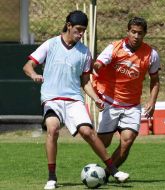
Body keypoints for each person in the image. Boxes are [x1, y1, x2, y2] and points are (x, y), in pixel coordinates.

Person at [23, 10, 129, 190]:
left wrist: (96, 98)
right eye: (78, 29)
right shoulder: (51, 44)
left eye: (83, 31)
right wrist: (34, 75)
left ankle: (113, 170)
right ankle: (52, 178)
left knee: (88, 132)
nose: (80, 34)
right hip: (52, 98)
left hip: (73, 99)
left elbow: (85, 82)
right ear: (68, 25)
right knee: (53, 128)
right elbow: (28, 66)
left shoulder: (84, 52)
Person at [92, 16, 160, 181]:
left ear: (145, 34)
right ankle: (108, 171)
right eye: (133, 32)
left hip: (132, 105)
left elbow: (155, 81)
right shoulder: (114, 48)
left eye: (140, 33)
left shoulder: (151, 54)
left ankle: (107, 174)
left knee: (128, 140)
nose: (136, 36)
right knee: (103, 144)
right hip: (110, 101)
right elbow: (99, 63)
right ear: (127, 31)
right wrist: (96, 67)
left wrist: (152, 101)